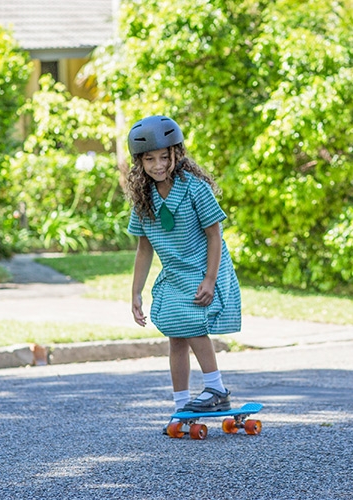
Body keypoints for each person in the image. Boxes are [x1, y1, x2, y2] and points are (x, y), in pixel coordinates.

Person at [125, 115, 242, 433]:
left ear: (178, 154)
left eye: (165, 156)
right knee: (175, 337)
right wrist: (136, 291)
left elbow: (214, 235)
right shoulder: (143, 198)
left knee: (189, 323)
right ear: (140, 162)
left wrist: (210, 278)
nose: (158, 164)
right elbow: (144, 248)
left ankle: (216, 389)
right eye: (150, 159)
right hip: (176, 273)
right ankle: (182, 408)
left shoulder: (195, 189)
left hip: (204, 267)